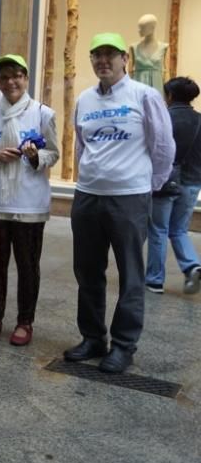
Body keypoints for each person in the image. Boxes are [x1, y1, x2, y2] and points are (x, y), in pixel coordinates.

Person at [64, 32, 174, 374]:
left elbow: (163, 146)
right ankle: (93, 337)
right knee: (88, 271)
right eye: (97, 55)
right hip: (88, 197)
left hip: (129, 199)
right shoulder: (84, 99)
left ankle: (124, 346)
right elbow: (82, 144)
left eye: (110, 55)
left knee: (130, 273)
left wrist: (149, 184)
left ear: (124, 59)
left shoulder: (144, 95)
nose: (103, 61)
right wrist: (89, 177)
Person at [0, 55, 58, 346]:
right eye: (4, 77)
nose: (11, 82)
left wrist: (36, 157)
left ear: (26, 78)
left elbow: (53, 152)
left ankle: (24, 321)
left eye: (17, 75)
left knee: (28, 265)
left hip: (29, 204)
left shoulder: (43, 113)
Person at [146, 76, 201, 295]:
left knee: (158, 229)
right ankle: (192, 266)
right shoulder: (200, 120)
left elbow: (156, 149)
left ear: (169, 95)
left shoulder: (165, 118)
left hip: (166, 181)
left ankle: (155, 280)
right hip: (193, 182)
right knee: (179, 229)